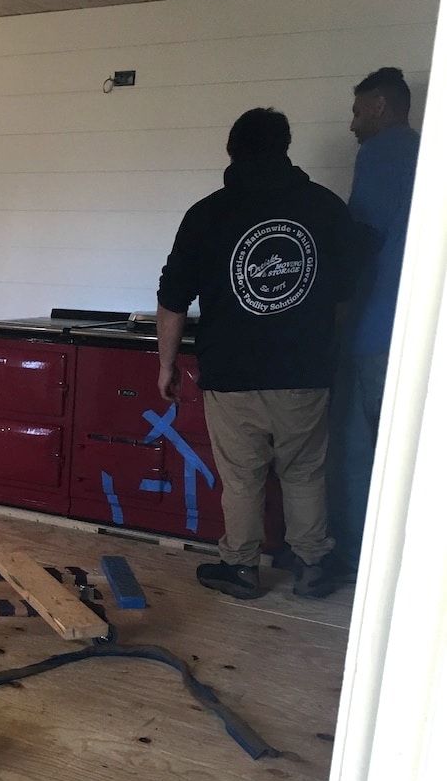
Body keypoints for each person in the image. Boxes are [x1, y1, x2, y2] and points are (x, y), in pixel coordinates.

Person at [156, 107, 355, 601]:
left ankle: (241, 569)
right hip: (305, 373)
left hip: (232, 374)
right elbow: (345, 295)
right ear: (286, 146)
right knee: (305, 472)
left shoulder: (207, 215)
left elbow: (172, 297)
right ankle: (311, 568)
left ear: (232, 150)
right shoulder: (326, 208)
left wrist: (166, 365)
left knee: (242, 478)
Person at [326, 67, 420, 580]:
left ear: (381, 106)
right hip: (414, 335)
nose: (353, 124)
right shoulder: (426, 153)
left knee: (356, 451)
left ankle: (360, 559)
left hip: (372, 332)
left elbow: (360, 243)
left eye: (358, 111)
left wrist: (334, 314)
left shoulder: (381, 155)